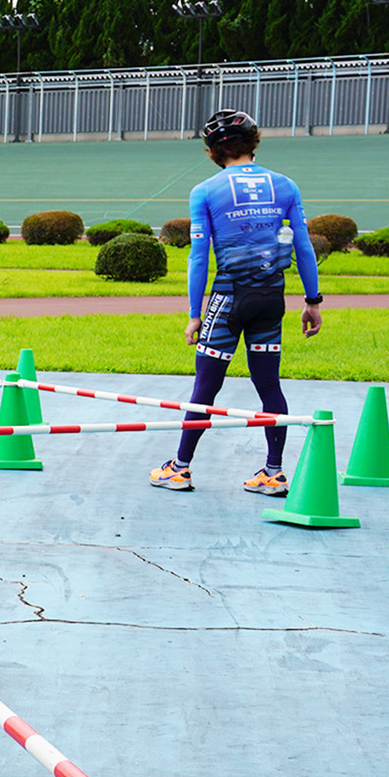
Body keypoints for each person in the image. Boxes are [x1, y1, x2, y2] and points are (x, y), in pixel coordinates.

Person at [149, 110, 323, 495]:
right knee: (268, 385)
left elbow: (199, 256)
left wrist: (195, 315)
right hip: (271, 299)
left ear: (212, 150)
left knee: (206, 386)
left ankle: (180, 468)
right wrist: (313, 301)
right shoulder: (286, 186)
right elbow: (303, 246)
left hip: (228, 299)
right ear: (254, 142)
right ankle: (274, 473)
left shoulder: (206, 190)